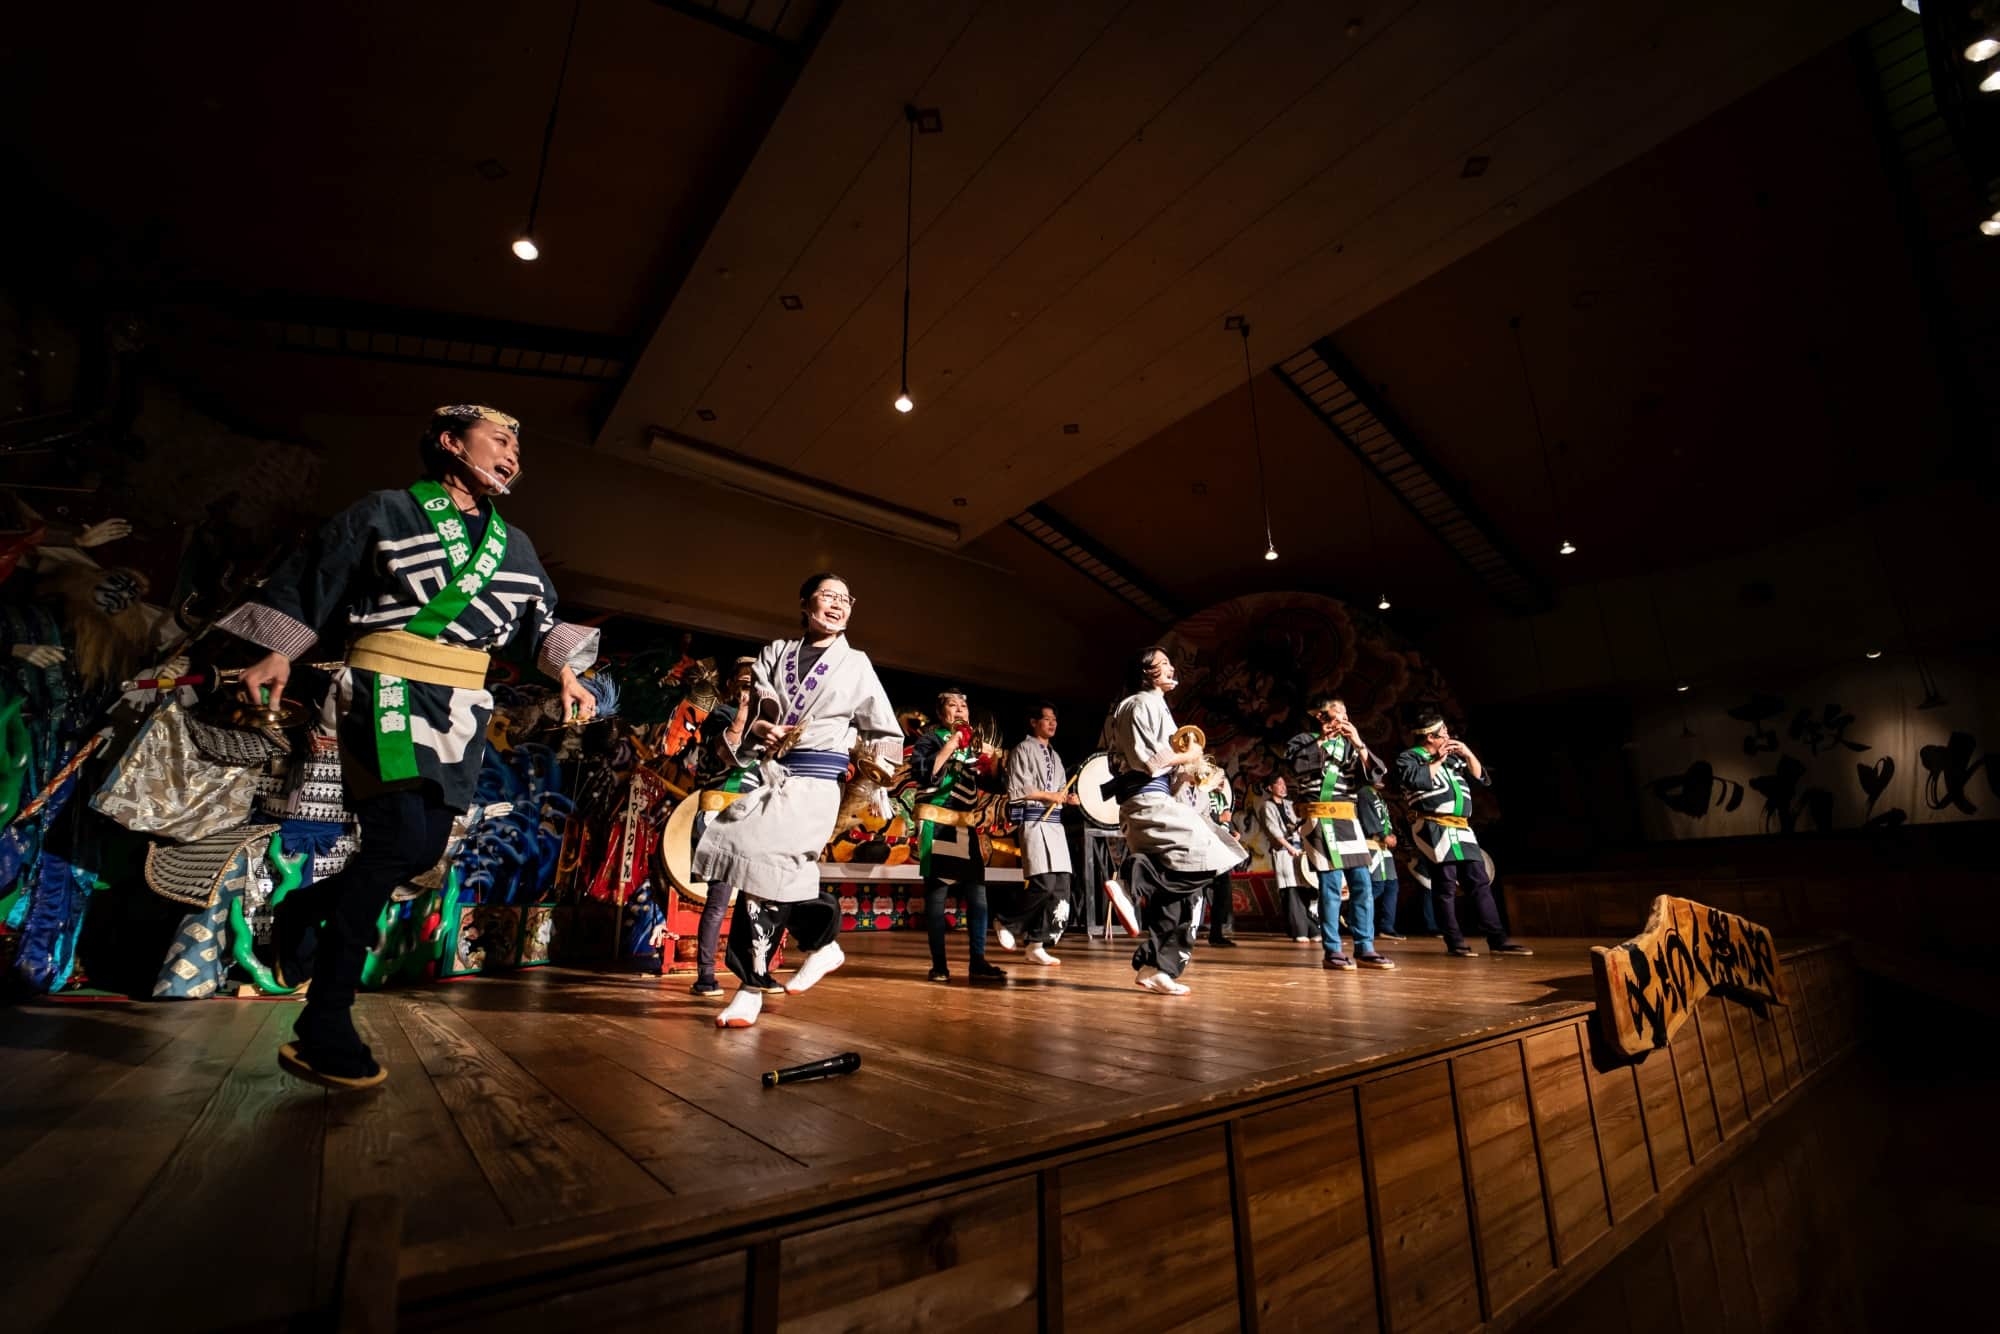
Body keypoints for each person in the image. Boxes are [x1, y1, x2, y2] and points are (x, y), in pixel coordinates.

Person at [226, 404, 599, 1090]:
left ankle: (306, 909)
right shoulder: (386, 510)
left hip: (462, 707)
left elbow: (538, 620)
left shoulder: (513, 543)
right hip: (388, 686)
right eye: (499, 440)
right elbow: (320, 572)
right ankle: (324, 1021)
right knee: (396, 838)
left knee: (423, 852)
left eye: (518, 444)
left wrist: (569, 673)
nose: (513, 454)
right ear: (451, 443)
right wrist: (278, 651)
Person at [693, 573, 902, 1027]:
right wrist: (763, 727)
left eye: (845, 599)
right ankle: (824, 943)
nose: (837, 605)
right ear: (805, 603)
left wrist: (876, 781)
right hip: (773, 777)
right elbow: (763, 702)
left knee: (764, 866)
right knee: (769, 871)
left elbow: (884, 731)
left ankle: (750, 989)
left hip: (816, 784)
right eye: (827, 596)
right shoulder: (776, 652)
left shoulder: (857, 664)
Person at [1101, 646, 1248, 995]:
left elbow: (1167, 767)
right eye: (1162, 663)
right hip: (1146, 803)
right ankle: (1130, 881)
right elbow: (1146, 762)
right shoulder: (1138, 705)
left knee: (1181, 898)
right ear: (1144, 672)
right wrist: (1187, 755)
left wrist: (1190, 771)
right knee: (1208, 853)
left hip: (1159, 799)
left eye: (1169, 662)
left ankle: (1156, 968)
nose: (1170, 668)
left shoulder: (1157, 706)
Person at [1396, 714, 1532, 959]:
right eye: (1444, 732)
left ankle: (1497, 939)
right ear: (1430, 736)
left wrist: (1467, 754)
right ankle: (1455, 941)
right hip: (1433, 825)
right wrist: (1438, 760)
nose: (1448, 736)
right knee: (1445, 884)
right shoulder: (1409, 757)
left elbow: (1481, 779)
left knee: (1479, 882)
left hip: (1461, 827)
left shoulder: (1453, 759)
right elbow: (1417, 780)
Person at [1284, 698, 1395, 971]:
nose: (1341, 719)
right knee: (1331, 886)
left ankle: (1365, 947)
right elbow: (1296, 766)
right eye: (1336, 714)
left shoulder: (1349, 745)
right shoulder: (1303, 741)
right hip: (1320, 819)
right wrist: (1322, 741)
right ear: (1320, 717)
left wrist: (1358, 743)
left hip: (1348, 820)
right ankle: (1332, 950)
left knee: (1362, 885)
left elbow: (1375, 777)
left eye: (1345, 713)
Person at [909, 688, 1009, 983]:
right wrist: (951, 744)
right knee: (937, 898)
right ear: (942, 713)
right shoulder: (930, 739)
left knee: (978, 898)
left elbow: (994, 786)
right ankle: (939, 965)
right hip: (937, 823)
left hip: (965, 826)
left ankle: (977, 961)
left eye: (964, 705)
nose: (960, 709)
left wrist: (991, 764)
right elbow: (925, 774)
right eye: (953, 705)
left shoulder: (974, 745)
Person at [686, 657, 763, 1000]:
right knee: (718, 901)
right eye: (744, 681)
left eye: (755, 682)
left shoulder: (766, 724)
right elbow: (731, 755)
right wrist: (745, 709)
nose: (749, 686)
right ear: (732, 685)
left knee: (756, 902)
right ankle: (705, 977)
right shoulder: (723, 714)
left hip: (754, 816)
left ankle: (754, 973)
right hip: (721, 814)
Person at [998, 701, 1077, 966]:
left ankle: (1036, 943)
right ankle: (1006, 921)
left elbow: (1058, 792)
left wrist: (1068, 798)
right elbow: (1019, 789)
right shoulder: (1022, 749)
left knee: (1062, 886)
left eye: (1055, 719)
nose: (1052, 723)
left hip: (1054, 825)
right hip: (1034, 822)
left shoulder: (1055, 756)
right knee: (1043, 883)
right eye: (1047, 719)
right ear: (1033, 722)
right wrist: (1050, 795)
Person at [1257, 773, 1315, 943]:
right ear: (1270, 788)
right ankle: (1299, 931)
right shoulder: (1266, 807)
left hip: (1298, 850)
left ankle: (1312, 928)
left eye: (1284, 784)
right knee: (1290, 889)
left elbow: (1300, 824)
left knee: (1304, 887)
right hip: (1283, 851)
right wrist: (1290, 848)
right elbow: (1274, 831)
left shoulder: (1290, 805)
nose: (1283, 787)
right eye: (1279, 784)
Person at [1356, 781, 1405, 942]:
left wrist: (1391, 835)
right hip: (1372, 844)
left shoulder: (1377, 795)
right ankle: (1352, 917)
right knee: (1376, 885)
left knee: (1391, 885)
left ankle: (1386, 927)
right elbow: (1367, 818)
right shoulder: (1364, 792)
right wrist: (1383, 835)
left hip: (1384, 848)